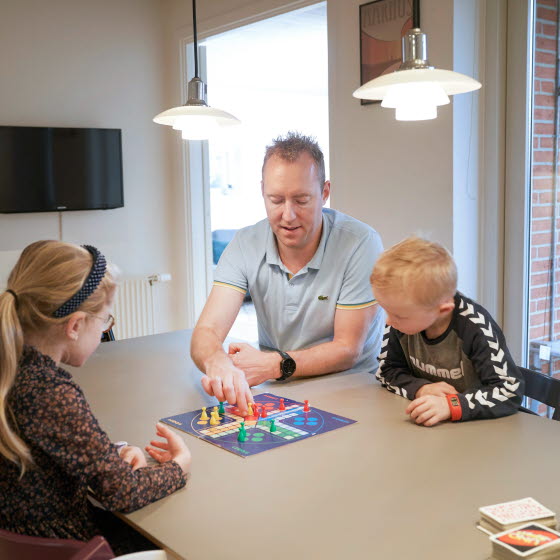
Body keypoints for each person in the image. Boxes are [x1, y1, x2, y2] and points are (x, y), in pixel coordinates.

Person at [0, 241, 191, 554]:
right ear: (75, 326)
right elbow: (124, 494)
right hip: (73, 546)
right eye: (105, 321)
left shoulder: (13, 366)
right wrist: (179, 466)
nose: (104, 331)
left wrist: (112, 453)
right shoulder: (50, 392)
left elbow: (50, 445)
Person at [191, 132, 385, 413]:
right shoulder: (245, 244)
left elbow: (347, 349)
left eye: (301, 200)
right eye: (276, 200)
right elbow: (206, 331)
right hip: (279, 390)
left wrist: (272, 364)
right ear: (262, 192)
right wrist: (218, 363)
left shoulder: (360, 243)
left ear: (325, 192)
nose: (288, 215)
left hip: (352, 389)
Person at [371, 236, 524, 426]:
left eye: (398, 315)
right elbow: (387, 371)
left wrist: (451, 405)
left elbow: (509, 391)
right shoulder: (401, 320)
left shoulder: (475, 327)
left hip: (482, 429)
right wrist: (421, 389)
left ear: (442, 310)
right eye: (386, 310)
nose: (388, 321)